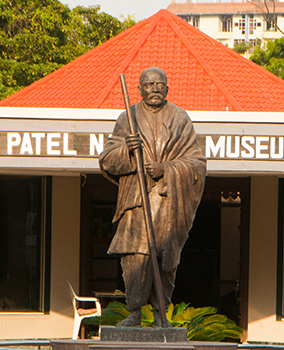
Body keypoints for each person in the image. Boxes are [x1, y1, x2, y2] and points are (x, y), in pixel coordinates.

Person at [99, 67, 206, 327]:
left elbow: (197, 162)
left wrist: (167, 169)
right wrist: (128, 150)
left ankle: (161, 315)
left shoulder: (180, 118)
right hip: (137, 200)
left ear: (167, 89)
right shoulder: (128, 117)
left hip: (169, 200)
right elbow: (107, 159)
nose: (155, 89)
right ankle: (134, 312)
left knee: (165, 257)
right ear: (140, 89)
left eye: (160, 85)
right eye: (149, 85)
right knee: (136, 256)